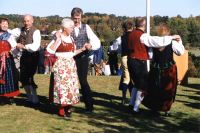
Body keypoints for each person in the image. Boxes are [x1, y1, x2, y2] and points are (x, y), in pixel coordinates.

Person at [127, 17, 181, 115]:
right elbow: (157, 42)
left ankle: (131, 105)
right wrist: (173, 38)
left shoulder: (130, 35)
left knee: (137, 83)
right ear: (144, 26)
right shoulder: (143, 36)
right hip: (143, 63)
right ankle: (135, 109)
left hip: (130, 61)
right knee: (143, 86)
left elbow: (151, 55)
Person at [48, 18, 89, 118]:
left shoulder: (71, 38)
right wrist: (57, 39)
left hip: (70, 64)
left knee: (71, 87)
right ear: (64, 28)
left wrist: (83, 49)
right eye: (71, 27)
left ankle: (69, 108)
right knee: (61, 87)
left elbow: (72, 53)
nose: (72, 29)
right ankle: (61, 110)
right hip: (61, 64)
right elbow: (50, 50)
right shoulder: (58, 37)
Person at [142, 24, 185, 117]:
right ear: (168, 32)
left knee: (155, 88)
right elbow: (180, 52)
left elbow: (150, 56)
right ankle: (167, 110)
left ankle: (154, 108)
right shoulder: (172, 42)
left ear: (158, 32)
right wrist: (180, 41)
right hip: (169, 68)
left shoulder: (154, 43)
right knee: (169, 88)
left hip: (156, 68)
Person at [70, 7, 101, 111]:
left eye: (79, 18)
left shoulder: (86, 27)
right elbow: (56, 35)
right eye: (75, 18)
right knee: (69, 82)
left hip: (82, 58)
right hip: (70, 58)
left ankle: (89, 105)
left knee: (83, 82)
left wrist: (90, 45)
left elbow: (96, 41)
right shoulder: (67, 26)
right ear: (71, 17)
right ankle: (67, 105)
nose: (77, 21)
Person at [11, 14, 41, 107]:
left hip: (33, 56)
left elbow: (35, 46)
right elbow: (8, 33)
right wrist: (14, 44)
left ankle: (35, 101)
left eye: (28, 21)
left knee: (30, 78)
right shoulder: (20, 29)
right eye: (25, 21)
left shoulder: (36, 31)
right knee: (23, 78)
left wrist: (23, 46)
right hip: (24, 56)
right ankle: (30, 99)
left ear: (32, 21)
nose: (26, 23)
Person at [110, 21, 134, 104]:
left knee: (126, 78)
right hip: (134, 58)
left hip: (125, 57)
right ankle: (133, 98)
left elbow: (113, 48)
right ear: (132, 28)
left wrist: (120, 50)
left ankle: (124, 98)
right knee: (134, 78)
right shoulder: (135, 37)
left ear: (124, 29)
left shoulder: (120, 38)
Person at [0, 17, 21, 106]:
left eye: (6, 24)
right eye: (3, 23)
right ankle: (1, 98)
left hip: (7, 60)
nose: (5, 25)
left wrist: (18, 50)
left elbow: (13, 48)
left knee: (9, 77)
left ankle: (11, 97)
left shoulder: (9, 36)